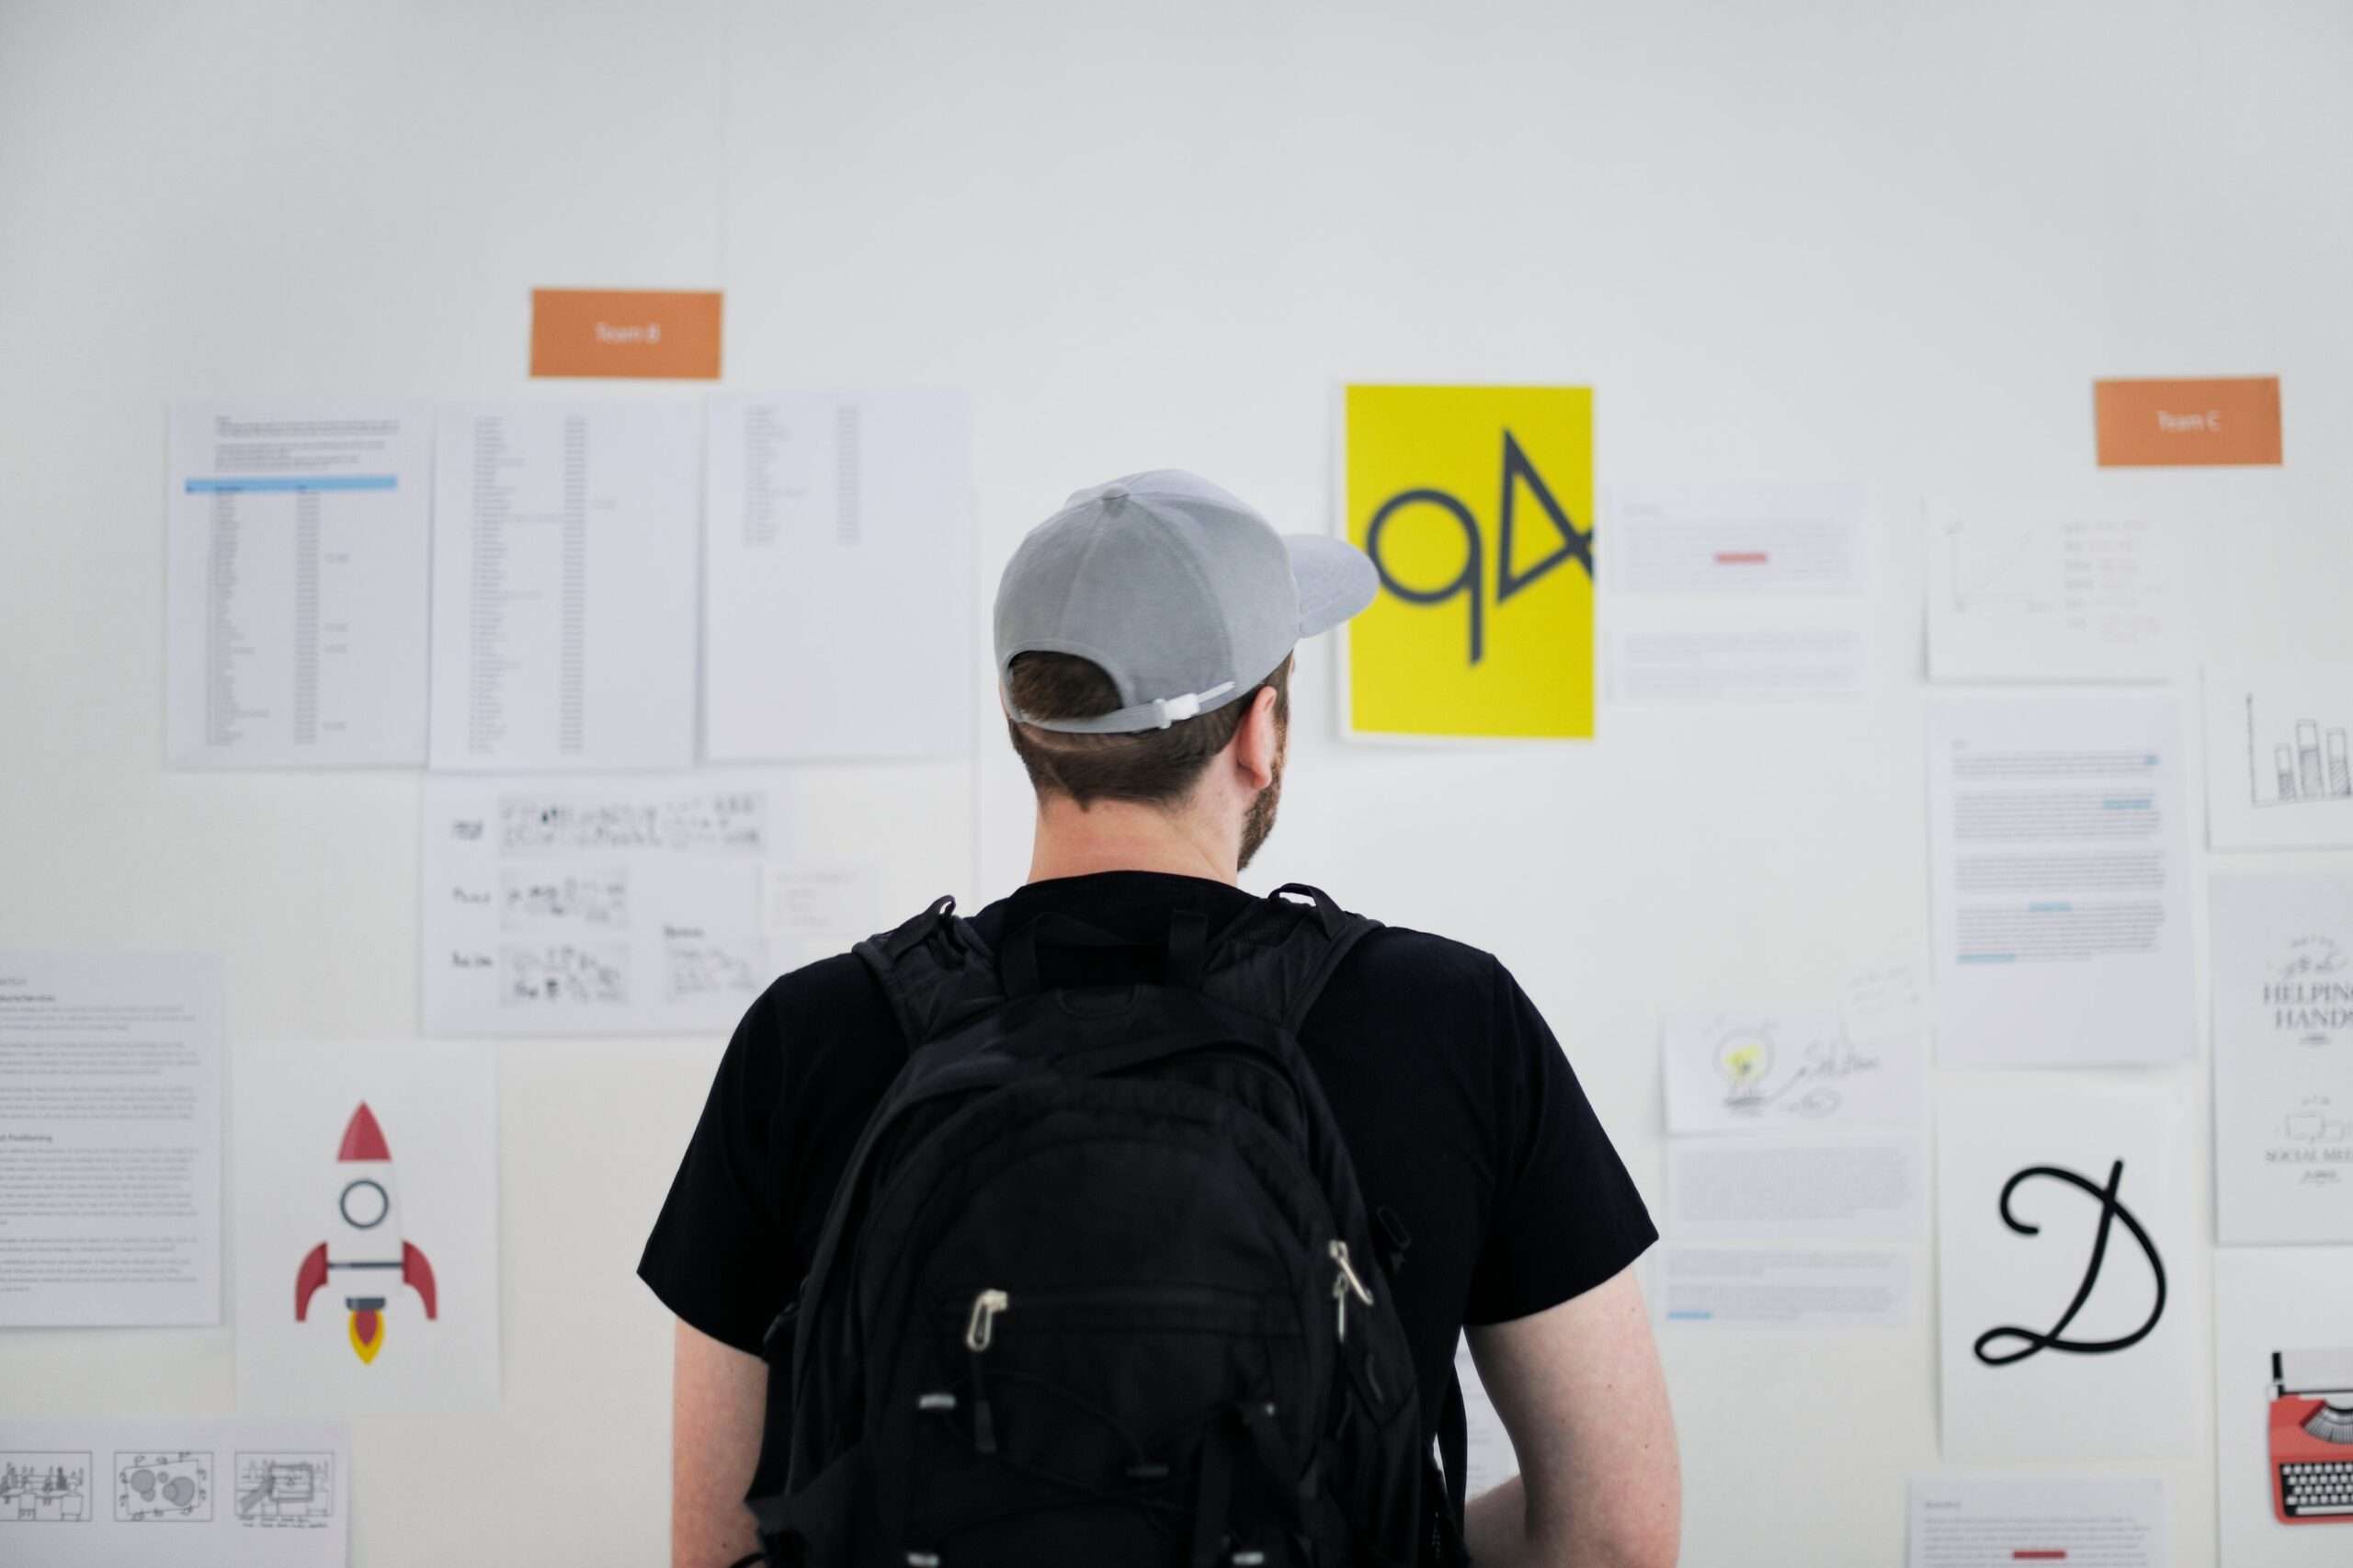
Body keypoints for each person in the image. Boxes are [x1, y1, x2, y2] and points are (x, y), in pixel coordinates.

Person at [642, 471, 1680, 1567]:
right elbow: (1616, 1534)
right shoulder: (1448, 1021)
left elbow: (720, 1546)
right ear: (1259, 736)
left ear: (1024, 729)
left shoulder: (809, 1035)